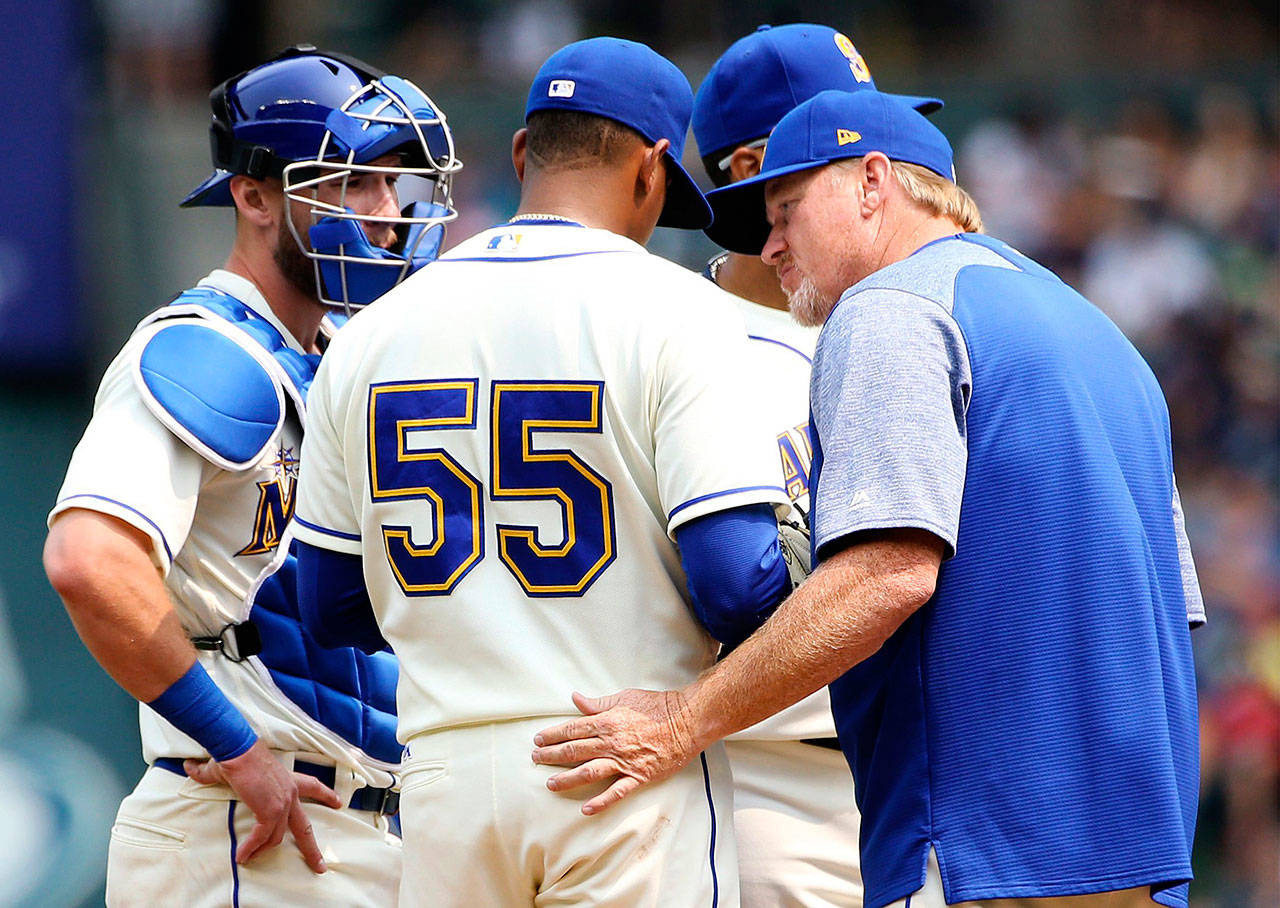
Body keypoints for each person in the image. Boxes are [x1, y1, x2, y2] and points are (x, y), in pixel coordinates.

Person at [532, 89, 1204, 908]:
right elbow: (1173, 612)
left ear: (873, 183)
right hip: (1132, 846)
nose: (771, 246)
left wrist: (680, 721)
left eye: (785, 210)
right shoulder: (1102, 335)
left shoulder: (892, 305)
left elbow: (887, 575)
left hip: (977, 846)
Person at [291, 36, 798, 908]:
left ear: (525, 152)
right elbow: (736, 587)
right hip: (621, 767)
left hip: (445, 775)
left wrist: (482, 624)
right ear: (653, 169)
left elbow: (328, 604)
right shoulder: (683, 311)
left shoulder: (370, 331)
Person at [43, 45, 460, 906]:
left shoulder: (331, 355)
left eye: (392, 184)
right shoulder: (207, 350)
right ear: (254, 195)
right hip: (246, 829)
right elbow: (89, 562)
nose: (386, 213)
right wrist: (236, 747)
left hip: (350, 828)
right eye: (351, 183)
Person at [691, 24, 942, 908]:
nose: (886, 172)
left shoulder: (905, 324)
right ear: (757, 168)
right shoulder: (677, 339)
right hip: (760, 786)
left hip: (910, 788)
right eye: (855, 145)